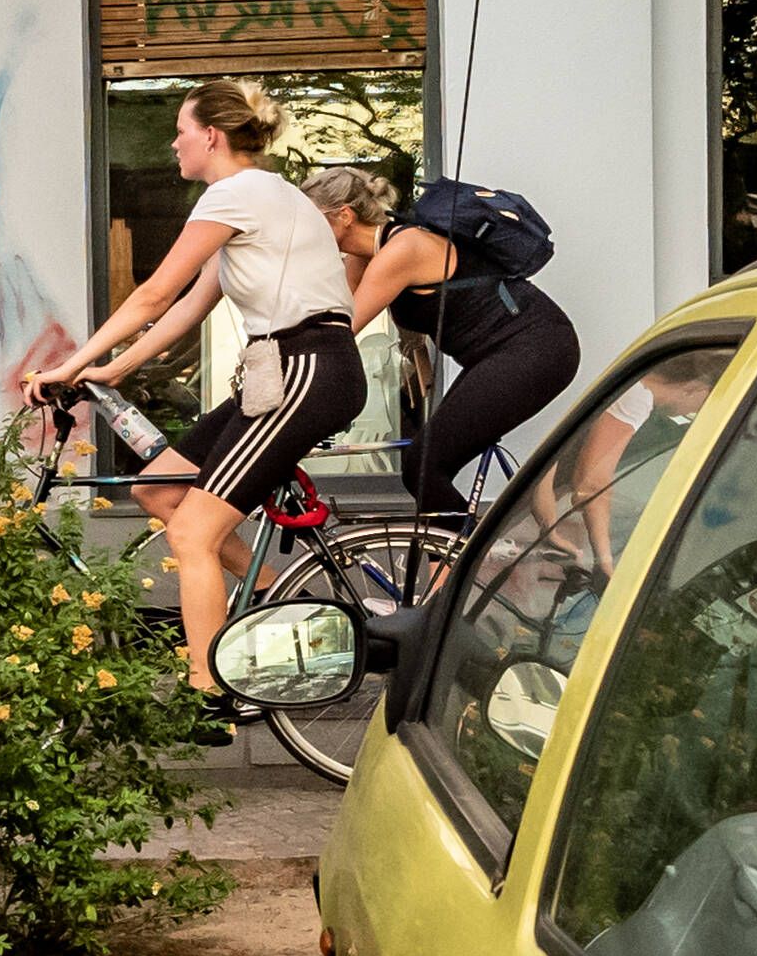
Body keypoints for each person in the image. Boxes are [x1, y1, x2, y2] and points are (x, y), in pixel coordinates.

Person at [48, 75, 362, 695]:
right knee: (160, 491)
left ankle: (209, 690)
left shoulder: (234, 194)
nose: (174, 145)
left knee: (193, 530)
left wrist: (67, 364)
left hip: (303, 368)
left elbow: (154, 293)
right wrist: (110, 370)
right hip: (296, 369)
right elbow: (192, 305)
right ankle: (270, 591)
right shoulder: (269, 195)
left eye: (182, 132)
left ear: (211, 136)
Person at [313, 164, 580, 515]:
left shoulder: (403, 249)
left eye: (310, 220)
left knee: (423, 468)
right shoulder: (366, 256)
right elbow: (328, 320)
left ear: (344, 216)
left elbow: (342, 331)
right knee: (426, 461)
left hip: (535, 347)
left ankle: (459, 563)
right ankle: (454, 560)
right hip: (496, 354)